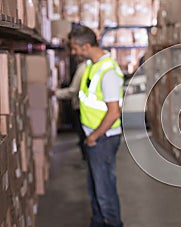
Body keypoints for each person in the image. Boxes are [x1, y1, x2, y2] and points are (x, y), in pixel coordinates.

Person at [68, 25, 124, 227]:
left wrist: (93, 137)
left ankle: (113, 223)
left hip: (103, 138)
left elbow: (113, 112)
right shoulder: (93, 64)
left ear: (87, 46)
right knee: (94, 187)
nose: (73, 52)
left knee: (104, 189)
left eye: (75, 48)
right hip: (94, 136)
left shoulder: (108, 72)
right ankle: (98, 222)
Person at [52, 56, 87, 160]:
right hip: (86, 108)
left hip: (82, 108)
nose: (73, 53)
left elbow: (73, 91)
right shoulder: (91, 66)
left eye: (75, 49)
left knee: (83, 136)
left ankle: (86, 156)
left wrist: (56, 93)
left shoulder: (83, 68)